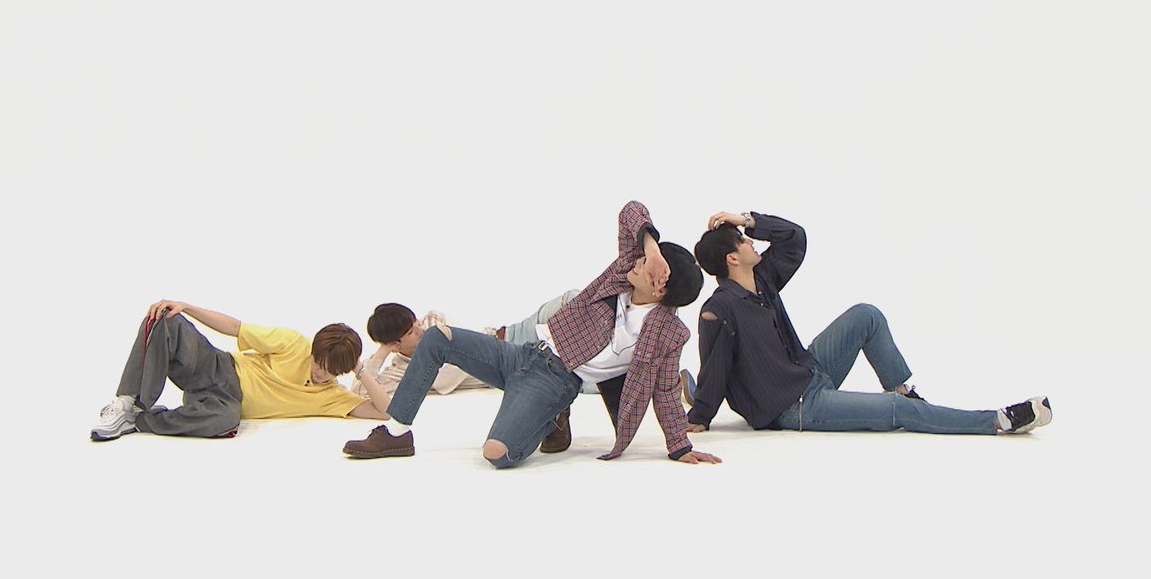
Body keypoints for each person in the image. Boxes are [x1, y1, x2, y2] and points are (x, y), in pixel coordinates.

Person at [341, 200, 721, 468]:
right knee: (437, 337)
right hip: (523, 352)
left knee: (497, 455)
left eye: (647, 264)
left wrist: (678, 446)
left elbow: (666, 391)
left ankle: (551, 412)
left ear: (660, 287)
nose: (637, 262)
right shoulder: (619, 276)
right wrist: (652, 246)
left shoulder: (668, 333)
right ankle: (396, 432)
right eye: (642, 257)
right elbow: (631, 211)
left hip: (556, 381)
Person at [682, 210, 1052, 437]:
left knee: (866, 315)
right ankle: (999, 421)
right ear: (732, 259)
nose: (751, 242)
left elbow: (795, 238)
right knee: (899, 414)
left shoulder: (763, 278)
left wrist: (747, 219)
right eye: (744, 240)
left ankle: (903, 390)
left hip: (808, 371)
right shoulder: (720, 309)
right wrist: (701, 415)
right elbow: (717, 363)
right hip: (795, 405)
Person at [89, 299, 393, 441]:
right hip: (218, 369)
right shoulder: (294, 343)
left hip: (224, 404)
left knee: (225, 421)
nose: (320, 373)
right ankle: (127, 402)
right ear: (313, 351)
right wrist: (187, 308)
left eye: (329, 371)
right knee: (166, 319)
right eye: (318, 363)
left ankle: (139, 421)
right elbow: (235, 327)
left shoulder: (333, 397)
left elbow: (385, 412)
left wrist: (359, 368)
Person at [351, 292, 583, 399]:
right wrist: (382, 352)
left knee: (574, 300)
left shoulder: (432, 322)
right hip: (515, 367)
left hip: (512, 337)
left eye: (416, 323)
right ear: (395, 344)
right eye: (411, 332)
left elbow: (449, 360)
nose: (420, 330)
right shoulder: (401, 372)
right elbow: (360, 391)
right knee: (583, 377)